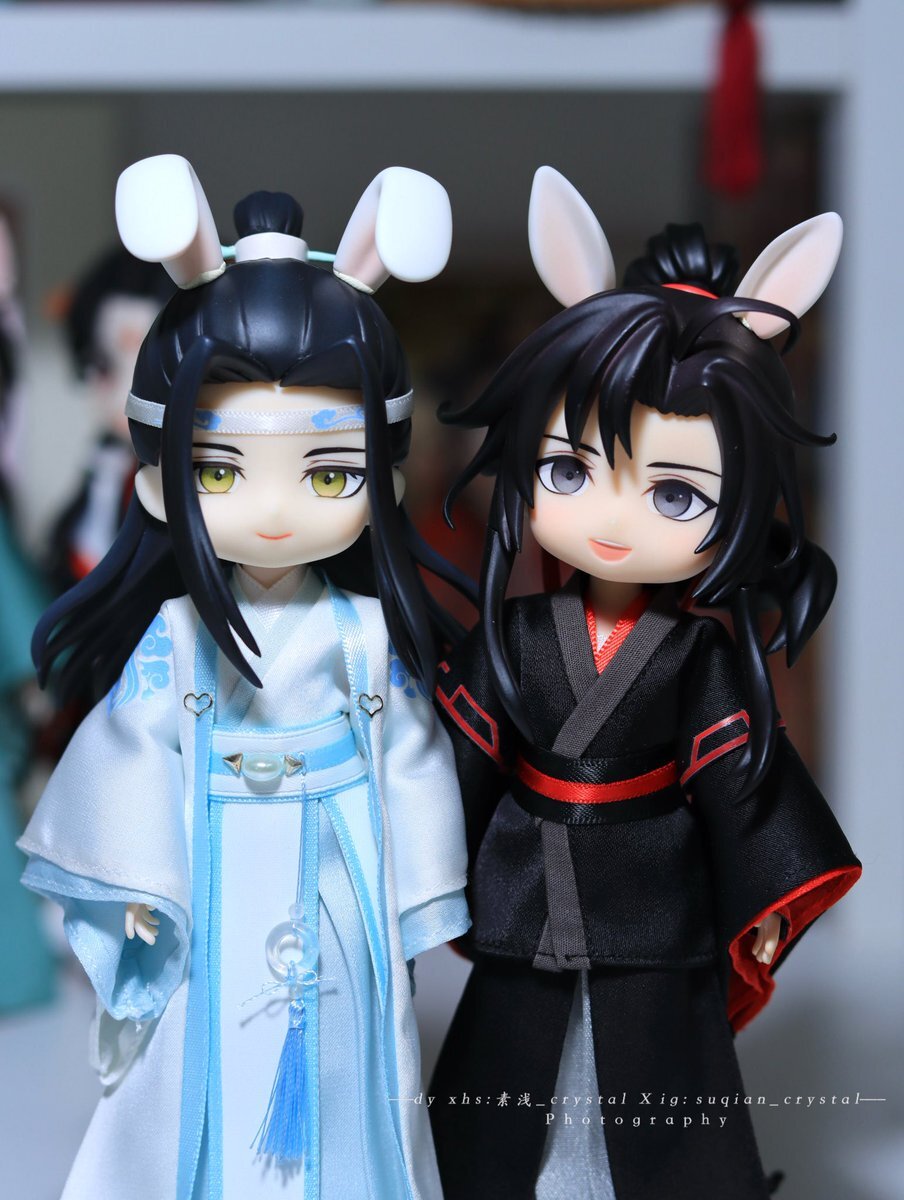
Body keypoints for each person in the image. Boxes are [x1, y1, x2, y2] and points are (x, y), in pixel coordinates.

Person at [20, 156, 469, 1200]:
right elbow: (129, 757)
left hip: (338, 873)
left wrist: (419, 897)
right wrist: (139, 886)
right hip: (212, 862)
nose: (272, 510)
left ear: (385, 480)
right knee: (204, 1054)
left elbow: (408, 760)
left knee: (345, 1045)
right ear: (157, 484)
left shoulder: (363, 635)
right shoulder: (178, 636)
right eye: (219, 470)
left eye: (329, 472)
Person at [429, 167, 860, 1200]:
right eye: (569, 472)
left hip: (648, 899)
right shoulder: (518, 635)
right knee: (505, 1087)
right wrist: (414, 862)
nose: (613, 519)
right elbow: (458, 761)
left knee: (654, 1086)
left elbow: (744, 786)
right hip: (528, 893)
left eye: (675, 494)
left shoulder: (696, 655)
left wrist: (764, 900)